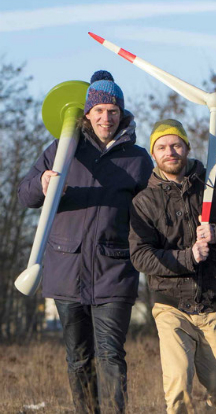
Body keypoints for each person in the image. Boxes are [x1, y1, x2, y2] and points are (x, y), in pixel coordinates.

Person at [18, 70, 153, 414]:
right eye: (99, 111)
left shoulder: (138, 160)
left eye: (113, 110)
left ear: (122, 114)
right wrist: (43, 184)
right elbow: (25, 194)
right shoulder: (63, 149)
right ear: (87, 114)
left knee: (110, 355)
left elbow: (154, 213)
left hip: (115, 270)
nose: (106, 117)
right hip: (66, 269)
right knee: (78, 358)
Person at [129, 119, 216, 413]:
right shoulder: (144, 201)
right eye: (162, 147)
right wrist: (187, 257)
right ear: (154, 154)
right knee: (178, 385)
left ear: (187, 147)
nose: (170, 151)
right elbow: (141, 255)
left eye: (176, 144)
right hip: (171, 307)